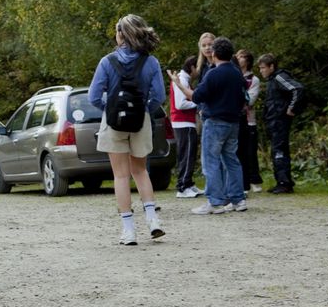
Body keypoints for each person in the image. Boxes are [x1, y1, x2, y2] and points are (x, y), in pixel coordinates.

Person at [88, 14, 166, 245]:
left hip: (114, 123)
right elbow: (159, 96)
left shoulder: (107, 61)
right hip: (140, 121)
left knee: (120, 175)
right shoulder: (150, 62)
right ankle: (153, 220)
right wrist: (144, 110)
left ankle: (129, 231)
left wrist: (110, 108)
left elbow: (93, 96)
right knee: (140, 171)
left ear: (121, 34)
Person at [172, 37, 248, 214]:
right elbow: (244, 97)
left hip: (215, 122)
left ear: (214, 54)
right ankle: (238, 199)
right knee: (231, 160)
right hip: (233, 122)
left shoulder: (213, 73)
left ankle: (215, 202)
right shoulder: (237, 73)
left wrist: (179, 85)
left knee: (211, 161)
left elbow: (196, 96)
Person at [257, 53, 304, 194]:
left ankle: (284, 183)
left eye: (263, 68)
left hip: (280, 121)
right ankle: (282, 181)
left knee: (279, 151)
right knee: (277, 150)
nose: (261, 71)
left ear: (272, 66)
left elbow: (298, 88)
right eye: (259, 68)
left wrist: (292, 107)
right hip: (274, 121)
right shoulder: (273, 80)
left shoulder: (279, 77)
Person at [170, 56, 201, 198]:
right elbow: (180, 104)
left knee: (189, 153)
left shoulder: (185, 80)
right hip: (183, 122)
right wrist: (198, 104)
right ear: (193, 68)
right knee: (187, 154)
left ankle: (188, 183)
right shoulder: (181, 80)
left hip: (186, 122)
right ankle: (182, 186)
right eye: (198, 69)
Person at [236, 49, 263, 193]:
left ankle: (254, 180)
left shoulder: (253, 79)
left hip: (248, 120)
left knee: (250, 152)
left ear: (248, 61)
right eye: (238, 56)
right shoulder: (232, 75)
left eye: (243, 57)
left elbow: (250, 100)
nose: (239, 59)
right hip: (234, 121)